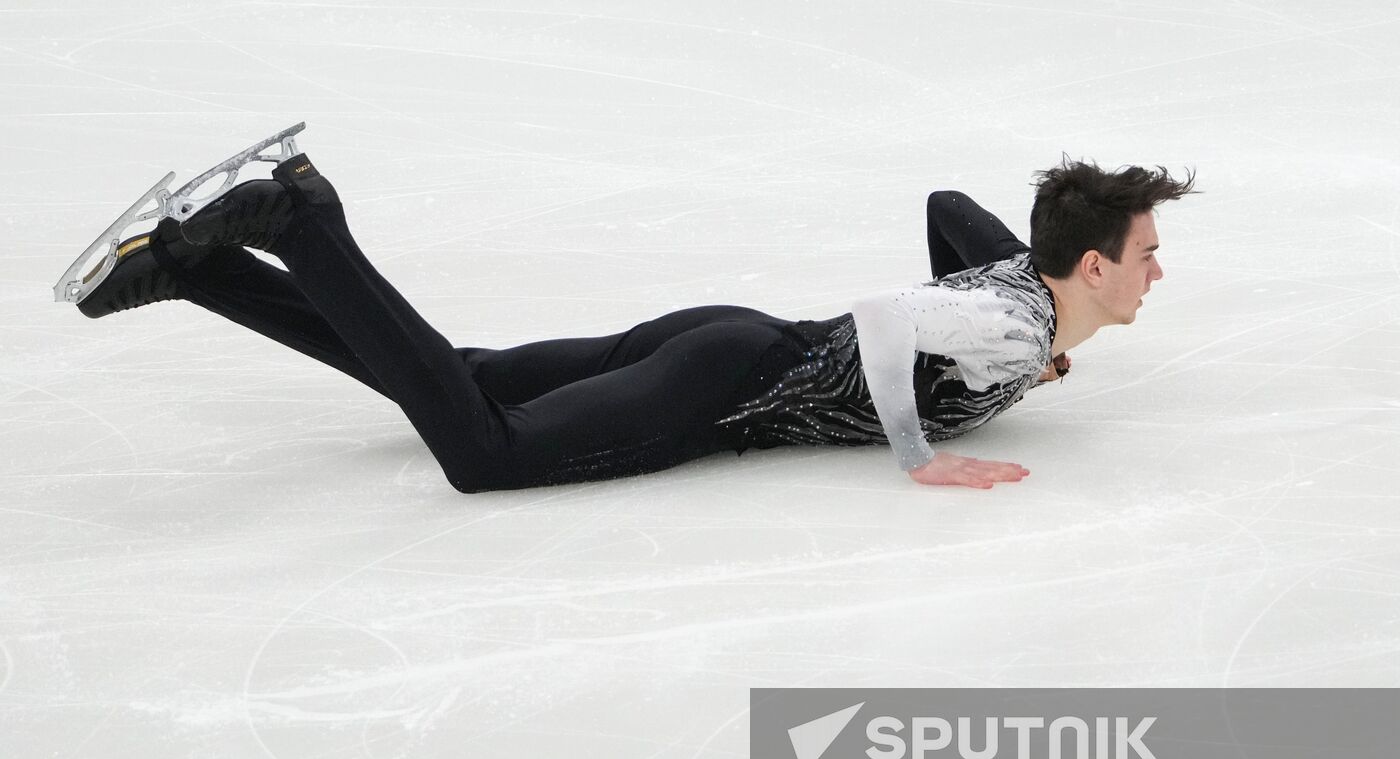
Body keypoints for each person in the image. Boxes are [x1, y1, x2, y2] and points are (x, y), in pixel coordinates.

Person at [57, 137, 1195, 492]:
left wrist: (1038, 357)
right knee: (481, 453)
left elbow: (949, 213)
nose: (1156, 273)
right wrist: (915, 456)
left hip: (726, 332)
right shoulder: (1012, 326)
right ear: (1088, 265)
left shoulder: (1017, 287)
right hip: (722, 389)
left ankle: (199, 270)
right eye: (1144, 254)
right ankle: (299, 219)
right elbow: (891, 319)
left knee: (460, 371)